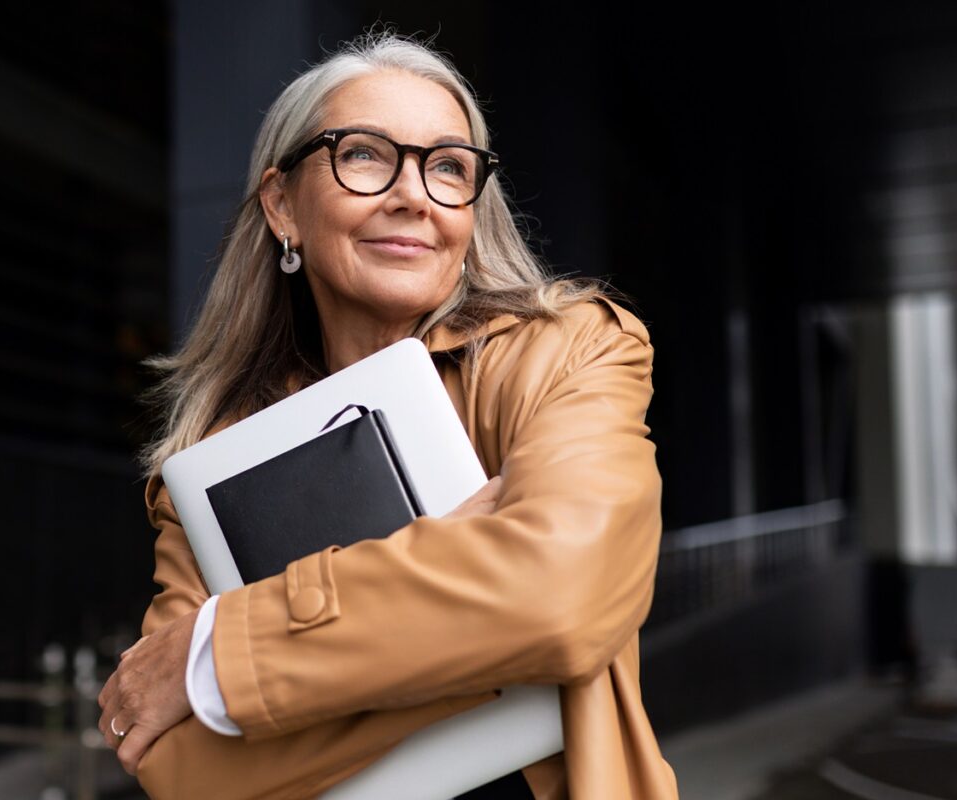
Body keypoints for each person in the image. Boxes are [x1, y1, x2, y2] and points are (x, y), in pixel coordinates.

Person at [98, 31, 680, 800]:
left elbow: (561, 600)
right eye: (365, 154)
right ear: (282, 205)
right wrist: (482, 626)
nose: (413, 194)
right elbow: (182, 770)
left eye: (447, 167)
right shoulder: (212, 463)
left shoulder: (569, 351)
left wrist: (219, 658)